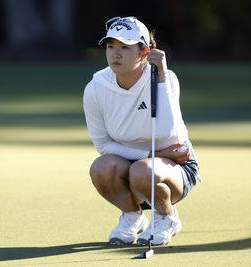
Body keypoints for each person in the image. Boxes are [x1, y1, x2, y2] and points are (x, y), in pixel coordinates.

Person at [83, 16, 201, 246]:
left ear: (144, 52)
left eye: (125, 47)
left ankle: (167, 218)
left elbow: (173, 136)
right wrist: (152, 155)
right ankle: (132, 217)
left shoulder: (164, 78)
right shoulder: (96, 87)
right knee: (100, 168)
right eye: (111, 46)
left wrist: (163, 76)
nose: (115, 54)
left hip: (175, 168)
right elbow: (103, 145)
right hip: (143, 163)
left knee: (142, 171)